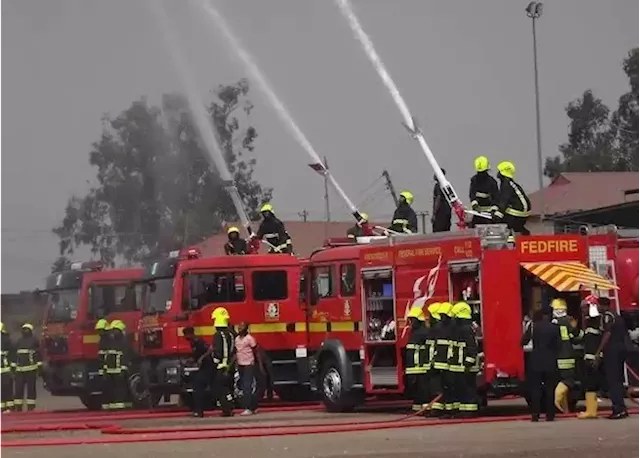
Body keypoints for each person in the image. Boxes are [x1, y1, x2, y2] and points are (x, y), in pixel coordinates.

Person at [521, 309, 560, 422]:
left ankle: (535, 415)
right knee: (550, 389)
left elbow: (523, 341)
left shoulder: (533, 326)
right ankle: (550, 415)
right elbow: (558, 345)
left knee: (535, 389)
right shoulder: (554, 328)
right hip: (550, 362)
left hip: (536, 361)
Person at [596, 297, 629, 419]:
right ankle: (622, 408)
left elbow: (607, 333)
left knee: (613, 380)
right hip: (621, 349)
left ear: (603, 305)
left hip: (612, 351)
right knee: (618, 380)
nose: (597, 308)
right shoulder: (617, 315)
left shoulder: (607, 316)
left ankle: (618, 409)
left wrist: (599, 351)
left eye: (598, 305)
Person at [550, 298, 580, 413]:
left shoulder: (553, 322)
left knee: (562, 380)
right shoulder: (568, 321)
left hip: (557, 356)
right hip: (567, 355)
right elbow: (576, 336)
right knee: (568, 380)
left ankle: (565, 410)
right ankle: (557, 399)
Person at [577, 295, 603, 419]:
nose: (583, 310)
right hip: (588, 357)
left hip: (593, 358)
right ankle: (590, 410)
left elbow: (598, 341)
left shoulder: (597, 321)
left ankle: (591, 411)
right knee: (588, 383)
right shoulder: (589, 321)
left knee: (591, 383)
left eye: (585, 307)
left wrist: (597, 356)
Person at [452, 301, 480, 417]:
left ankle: (470, 411)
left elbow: (472, 347)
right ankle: (465, 410)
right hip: (464, 364)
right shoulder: (466, 327)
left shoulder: (465, 329)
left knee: (468, 388)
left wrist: (468, 363)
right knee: (464, 388)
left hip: (468, 365)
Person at [208, 307, 235, 417]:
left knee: (219, 388)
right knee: (227, 387)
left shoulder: (218, 335)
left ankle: (226, 409)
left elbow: (218, 352)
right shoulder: (231, 334)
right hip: (229, 366)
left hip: (221, 366)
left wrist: (214, 362)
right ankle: (230, 405)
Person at [492, 161, 531, 235]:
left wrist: (498, 215)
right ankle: (524, 234)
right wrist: (494, 209)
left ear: (503, 173)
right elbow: (500, 199)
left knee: (506, 223)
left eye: (499, 171)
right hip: (522, 211)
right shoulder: (508, 183)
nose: (497, 173)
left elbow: (504, 201)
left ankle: (510, 241)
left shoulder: (506, 184)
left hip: (519, 211)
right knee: (514, 225)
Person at [182, 326, 214, 417]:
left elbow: (210, 349)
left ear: (191, 334)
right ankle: (197, 409)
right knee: (196, 386)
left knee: (198, 386)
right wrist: (188, 360)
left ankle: (199, 411)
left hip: (208, 367)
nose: (185, 337)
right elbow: (195, 356)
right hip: (203, 368)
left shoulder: (199, 342)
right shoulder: (192, 343)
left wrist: (201, 358)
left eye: (186, 335)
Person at [233, 322, 262, 415]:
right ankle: (254, 406)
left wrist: (260, 365)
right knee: (243, 386)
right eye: (239, 326)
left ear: (246, 328)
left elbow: (256, 351)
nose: (239, 328)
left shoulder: (250, 339)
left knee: (247, 386)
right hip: (240, 365)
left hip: (249, 364)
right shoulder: (236, 339)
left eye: (242, 326)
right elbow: (236, 352)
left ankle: (249, 408)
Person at [103, 319, 132, 410]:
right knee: (120, 386)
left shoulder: (110, 341)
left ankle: (113, 403)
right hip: (119, 369)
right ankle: (119, 403)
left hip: (112, 369)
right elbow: (126, 355)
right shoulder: (123, 341)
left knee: (113, 386)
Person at [404, 306, 429, 413]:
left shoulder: (423, 332)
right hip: (414, 366)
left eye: (413, 320)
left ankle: (425, 408)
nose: (411, 322)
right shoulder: (414, 332)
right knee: (416, 390)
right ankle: (418, 408)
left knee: (423, 389)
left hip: (420, 367)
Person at [433, 302, 455, 416]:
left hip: (440, 362)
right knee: (450, 387)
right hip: (450, 363)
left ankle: (442, 409)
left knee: (442, 387)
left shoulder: (437, 327)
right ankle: (449, 410)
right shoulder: (454, 327)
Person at [13, 323, 41, 411]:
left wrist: (39, 367)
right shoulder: (19, 341)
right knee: (20, 389)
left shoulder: (31, 341)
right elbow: (14, 355)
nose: (25, 331)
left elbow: (38, 355)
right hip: (23, 370)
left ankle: (29, 407)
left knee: (29, 389)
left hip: (28, 369)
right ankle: (19, 406)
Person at [468, 156, 499, 228]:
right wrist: (475, 204)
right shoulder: (474, 180)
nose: (480, 174)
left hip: (488, 214)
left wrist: (493, 210)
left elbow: (496, 198)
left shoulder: (492, 182)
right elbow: (472, 194)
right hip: (478, 213)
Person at [424, 302, 442, 416]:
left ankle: (437, 409)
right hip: (434, 363)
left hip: (435, 364)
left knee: (436, 387)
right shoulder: (436, 329)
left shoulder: (436, 330)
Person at [94, 318, 110, 409]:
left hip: (110, 369)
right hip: (105, 369)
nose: (100, 333)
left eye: (101, 331)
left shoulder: (108, 341)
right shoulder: (103, 341)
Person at [0, 321, 15, 412]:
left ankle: (4, 407)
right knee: (7, 389)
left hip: (5, 369)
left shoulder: (6, 340)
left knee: (4, 389)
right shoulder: (7, 339)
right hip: (6, 369)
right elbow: (13, 354)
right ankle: (8, 407)